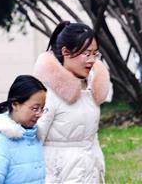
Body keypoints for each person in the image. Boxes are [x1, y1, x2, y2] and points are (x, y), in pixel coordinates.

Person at [33, 21, 112, 183]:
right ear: (65, 52)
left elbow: (90, 138)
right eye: (86, 53)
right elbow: (33, 141)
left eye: (95, 54)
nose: (92, 60)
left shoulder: (91, 89)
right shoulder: (47, 93)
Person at [0, 75, 47, 184]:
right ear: (15, 105)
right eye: (35, 108)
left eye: (42, 109)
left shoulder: (36, 137)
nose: (39, 114)